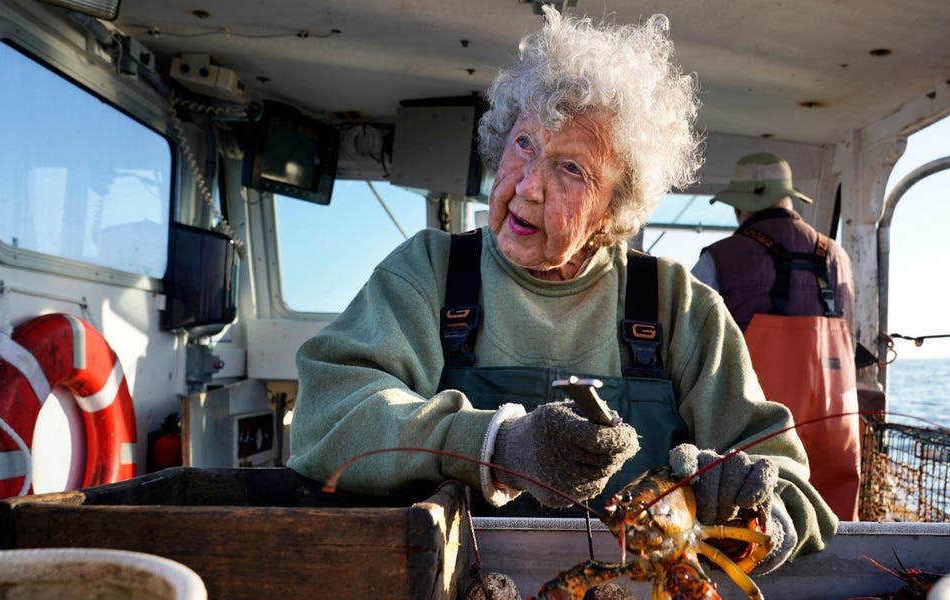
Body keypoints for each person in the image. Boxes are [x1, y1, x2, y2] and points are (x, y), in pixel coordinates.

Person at [287, 7, 837, 574]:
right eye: (523, 144)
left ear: (613, 208)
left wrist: (755, 518)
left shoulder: (679, 305)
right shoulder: (428, 272)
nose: (527, 186)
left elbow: (790, 488)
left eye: (571, 168)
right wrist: (494, 446)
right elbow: (326, 418)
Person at [692, 152, 862, 520]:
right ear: (789, 199)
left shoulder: (719, 258)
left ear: (740, 207)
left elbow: (690, 344)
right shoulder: (839, 257)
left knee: (755, 528)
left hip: (760, 433)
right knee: (835, 528)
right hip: (836, 426)